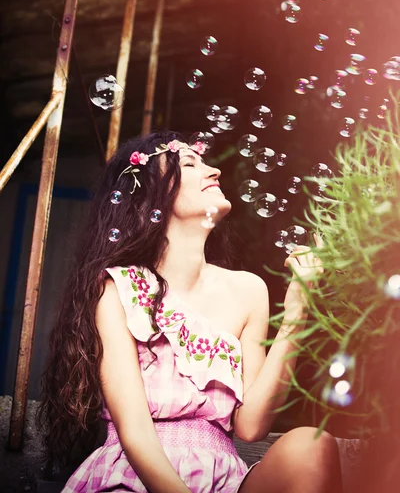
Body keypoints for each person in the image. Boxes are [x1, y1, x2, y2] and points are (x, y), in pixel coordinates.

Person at [38, 131, 343, 493]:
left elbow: (251, 427)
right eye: (190, 163)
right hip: (136, 477)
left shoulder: (248, 290)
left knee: (311, 446)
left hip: (224, 480)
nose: (213, 170)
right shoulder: (118, 289)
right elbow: (134, 432)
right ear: (151, 198)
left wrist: (298, 309)